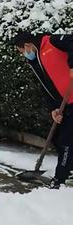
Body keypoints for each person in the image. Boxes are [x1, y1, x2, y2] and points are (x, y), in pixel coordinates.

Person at [13, 31, 73, 188]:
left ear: (27, 45)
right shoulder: (35, 61)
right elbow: (45, 86)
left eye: (22, 51)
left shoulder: (51, 42)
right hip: (64, 103)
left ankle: (60, 179)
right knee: (59, 137)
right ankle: (69, 169)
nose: (24, 55)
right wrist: (53, 108)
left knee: (66, 140)